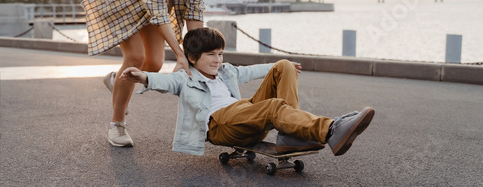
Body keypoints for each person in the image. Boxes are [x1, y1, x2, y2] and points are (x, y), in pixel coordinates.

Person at [119, 27, 375, 156]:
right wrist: (143, 76)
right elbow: (165, 83)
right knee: (274, 106)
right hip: (221, 125)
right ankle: (331, 130)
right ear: (193, 58)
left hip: (243, 113)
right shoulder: (185, 78)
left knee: (282, 66)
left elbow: (252, 70)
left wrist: (280, 66)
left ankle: (289, 136)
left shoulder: (226, 72)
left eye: (220, 54)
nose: (218, 60)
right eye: (211, 55)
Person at [81, 0, 215, 147]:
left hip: (155, 5)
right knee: (135, 56)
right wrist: (180, 55)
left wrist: (199, 53)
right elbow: (156, 9)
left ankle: (116, 80)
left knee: (153, 64)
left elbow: (194, 8)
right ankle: (117, 126)